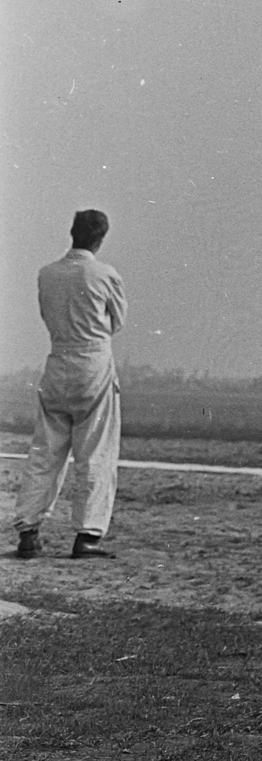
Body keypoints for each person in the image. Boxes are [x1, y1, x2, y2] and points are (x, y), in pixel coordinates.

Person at [13, 210, 128, 560]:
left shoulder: (47, 274)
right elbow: (117, 322)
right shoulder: (104, 274)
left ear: (72, 233)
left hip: (57, 362)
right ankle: (88, 535)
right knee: (95, 453)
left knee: (45, 452)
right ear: (100, 238)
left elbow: (48, 316)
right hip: (92, 364)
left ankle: (28, 532)